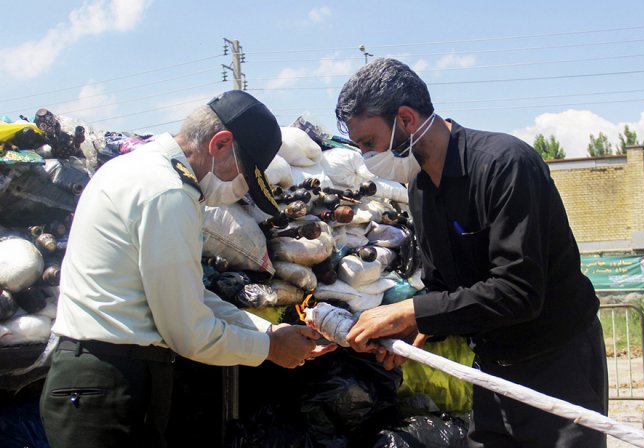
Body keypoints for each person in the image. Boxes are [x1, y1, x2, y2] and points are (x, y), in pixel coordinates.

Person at [336, 58, 608, 447]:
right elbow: (444, 287)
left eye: (368, 143)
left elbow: (518, 293)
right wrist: (419, 328)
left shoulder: (505, 165)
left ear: (406, 120)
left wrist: (409, 312)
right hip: (492, 373)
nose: (366, 157)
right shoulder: (421, 191)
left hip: (557, 366)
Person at [39, 90, 335, 448]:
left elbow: (191, 295)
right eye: (244, 177)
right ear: (221, 144)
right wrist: (270, 348)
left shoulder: (143, 172)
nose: (238, 191)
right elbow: (189, 334)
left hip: (111, 377)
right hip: (108, 379)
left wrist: (270, 331)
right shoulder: (166, 192)